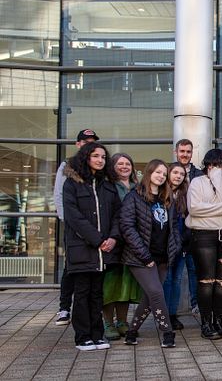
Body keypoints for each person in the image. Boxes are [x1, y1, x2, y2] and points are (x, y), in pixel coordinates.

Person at [62, 142, 120, 351]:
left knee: (97, 294)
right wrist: (98, 239)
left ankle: (97, 335)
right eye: (96, 156)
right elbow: (73, 217)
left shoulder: (107, 184)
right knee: (82, 292)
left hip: (103, 251)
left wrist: (113, 238)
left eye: (103, 157)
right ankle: (82, 337)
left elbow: (117, 214)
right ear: (86, 157)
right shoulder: (72, 183)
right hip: (82, 248)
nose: (100, 160)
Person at [120, 160, 182, 348]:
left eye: (164, 173)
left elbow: (173, 228)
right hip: (140, 257)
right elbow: (127, 227)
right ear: (149, 173)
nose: (161, 176)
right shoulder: (134, 197)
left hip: (163, 256)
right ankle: (167, 332)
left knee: (150, 297)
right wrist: (144, 256)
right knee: (156, 292)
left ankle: (131, 332)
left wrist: (175, 246)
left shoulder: (167, 198)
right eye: (158, 172)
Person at [186, 148, 222, 340]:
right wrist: (221, 208)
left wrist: (209, 207)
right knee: (206, 281)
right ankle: (206, 324)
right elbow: (193, 208)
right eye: (210, 164)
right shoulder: (196, 182)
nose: (213, 168)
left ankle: (219, 321)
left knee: (221, 282)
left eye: (217, 165)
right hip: (202, 236)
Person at [53, 128, 99, 326]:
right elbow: (59, 196)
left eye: (92, 141)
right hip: (74, 228)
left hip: (94, 229)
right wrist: (69, 222)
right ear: (78, 144)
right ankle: (64, 308)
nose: (88, 144)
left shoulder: (97, 166)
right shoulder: (68, 166)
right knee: (70, 268)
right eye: (85, 141)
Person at [101, 153, 141, 341]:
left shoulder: (138, 188)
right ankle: (108, 322)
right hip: (113, 240)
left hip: (132, 243)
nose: (124, 167)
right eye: (120, 164)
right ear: (112, 166)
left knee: (126, 283)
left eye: (128, 163)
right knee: (110, 284)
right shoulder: (107, 187)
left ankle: (123, 322)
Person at [162, 162, 191, 330]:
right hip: (164, 246)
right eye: (175, 173)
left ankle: (173, 315)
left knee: (177, 280)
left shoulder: (185, 194)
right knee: (166, 280)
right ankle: (163, 315)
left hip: (181, 245)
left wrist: (185, 243)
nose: (178, 176)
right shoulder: (160, 193)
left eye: (181, 174)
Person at [174, 139, 201, 316]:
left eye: (188, 151)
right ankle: (172, 310)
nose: (185, 154)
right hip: (175, 228)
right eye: (182, 151)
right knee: (174, 274)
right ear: (176, 151)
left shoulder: (199, 174)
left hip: (196, 229)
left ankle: (196, 305)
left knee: (195, 270)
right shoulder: (170, 172)